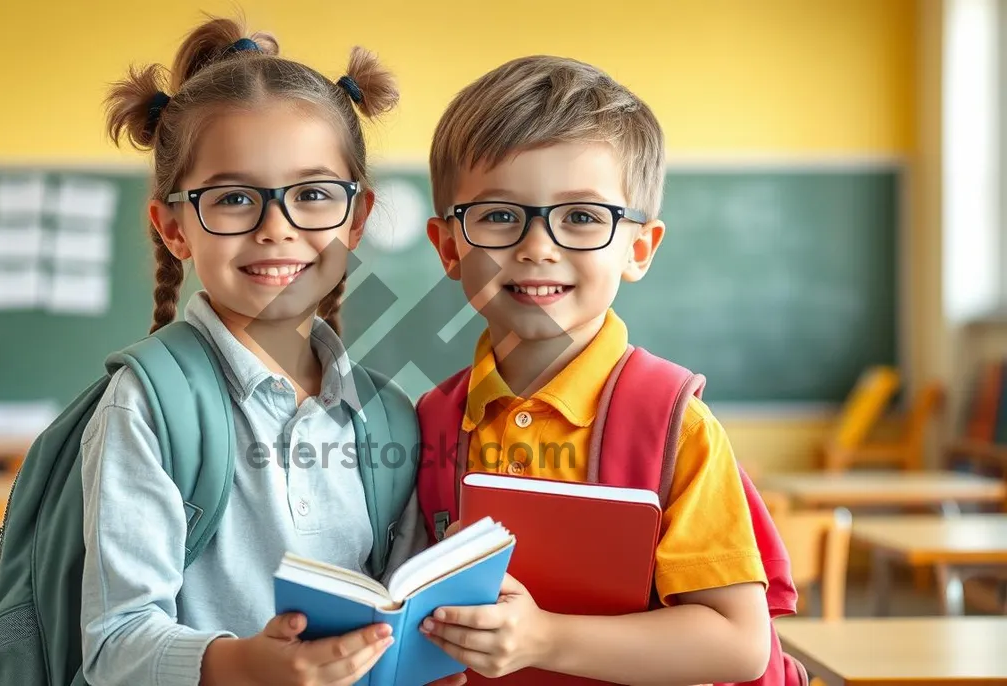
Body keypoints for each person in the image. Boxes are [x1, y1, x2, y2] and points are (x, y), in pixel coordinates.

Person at [83, 16, 450, 686]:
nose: (276, 229)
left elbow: (399, 619)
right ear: (174, 229)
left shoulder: (390, 415)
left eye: (313, 195)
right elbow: (114, 647)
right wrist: (241, 665)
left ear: (356, 219)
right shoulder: (148, 405)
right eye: (232, 199)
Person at [413, 56, 782, 685]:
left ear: (638, 249)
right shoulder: (430, 421)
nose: (537, 246)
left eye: (582, 217)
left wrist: (546, 638)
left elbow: (738, 642)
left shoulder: (674, 426)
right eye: (499, 215)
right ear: (450, 246)